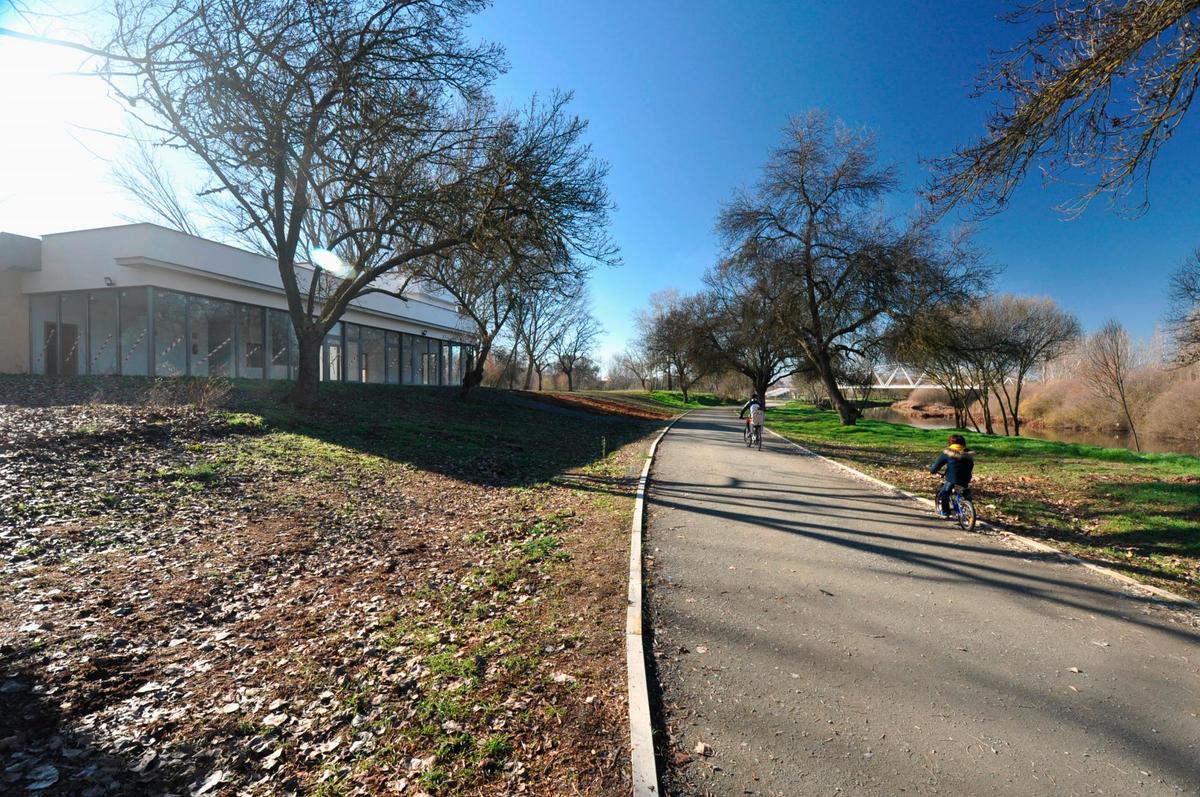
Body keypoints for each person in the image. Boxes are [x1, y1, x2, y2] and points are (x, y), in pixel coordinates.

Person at [930, 433, 974, 518]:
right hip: (966, 478)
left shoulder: (948, 453)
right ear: (963, 443)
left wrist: (933, 470)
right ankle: (969, 509)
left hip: (952, 478)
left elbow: (937, 465)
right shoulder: (968, 454)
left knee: (944, 493)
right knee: (965, 492)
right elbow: (971, 465)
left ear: (950, 443)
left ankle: (945, 512)